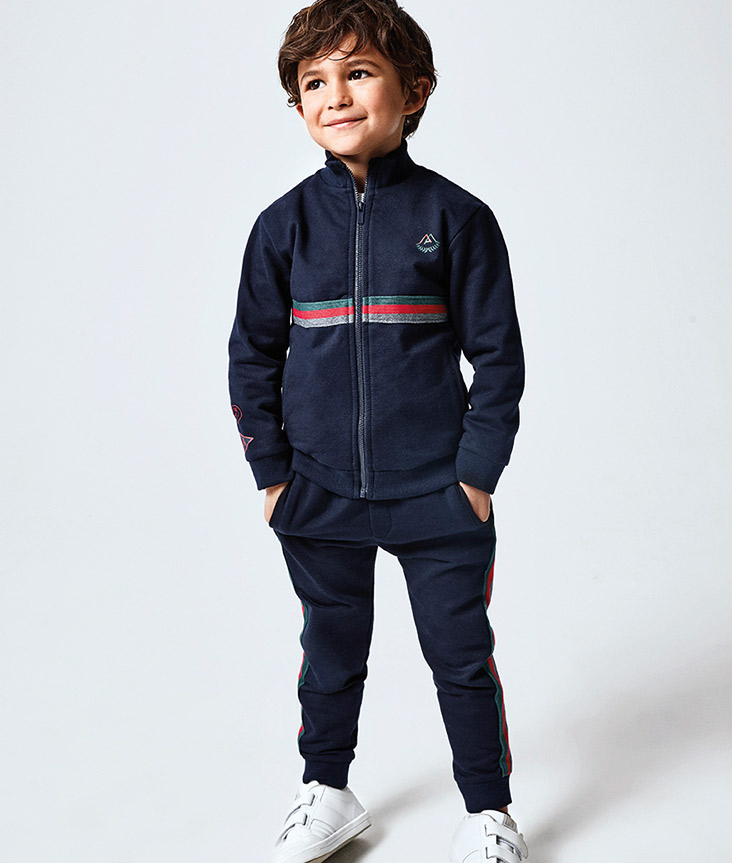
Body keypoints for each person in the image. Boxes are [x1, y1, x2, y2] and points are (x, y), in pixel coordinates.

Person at [227, 1, 528, 861]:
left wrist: (476, 473)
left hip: (438, 491)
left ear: (415, 90)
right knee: (329, 654)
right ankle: (327, 790)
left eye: (359, 73)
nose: (336, 96)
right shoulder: (282, 226)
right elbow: (250, 356)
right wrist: (274, 474)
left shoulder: (458, 218)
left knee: (461, 656)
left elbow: (499, 358)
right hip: (318, 490)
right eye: (314, 82)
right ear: (297, 103)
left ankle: (490, 814)